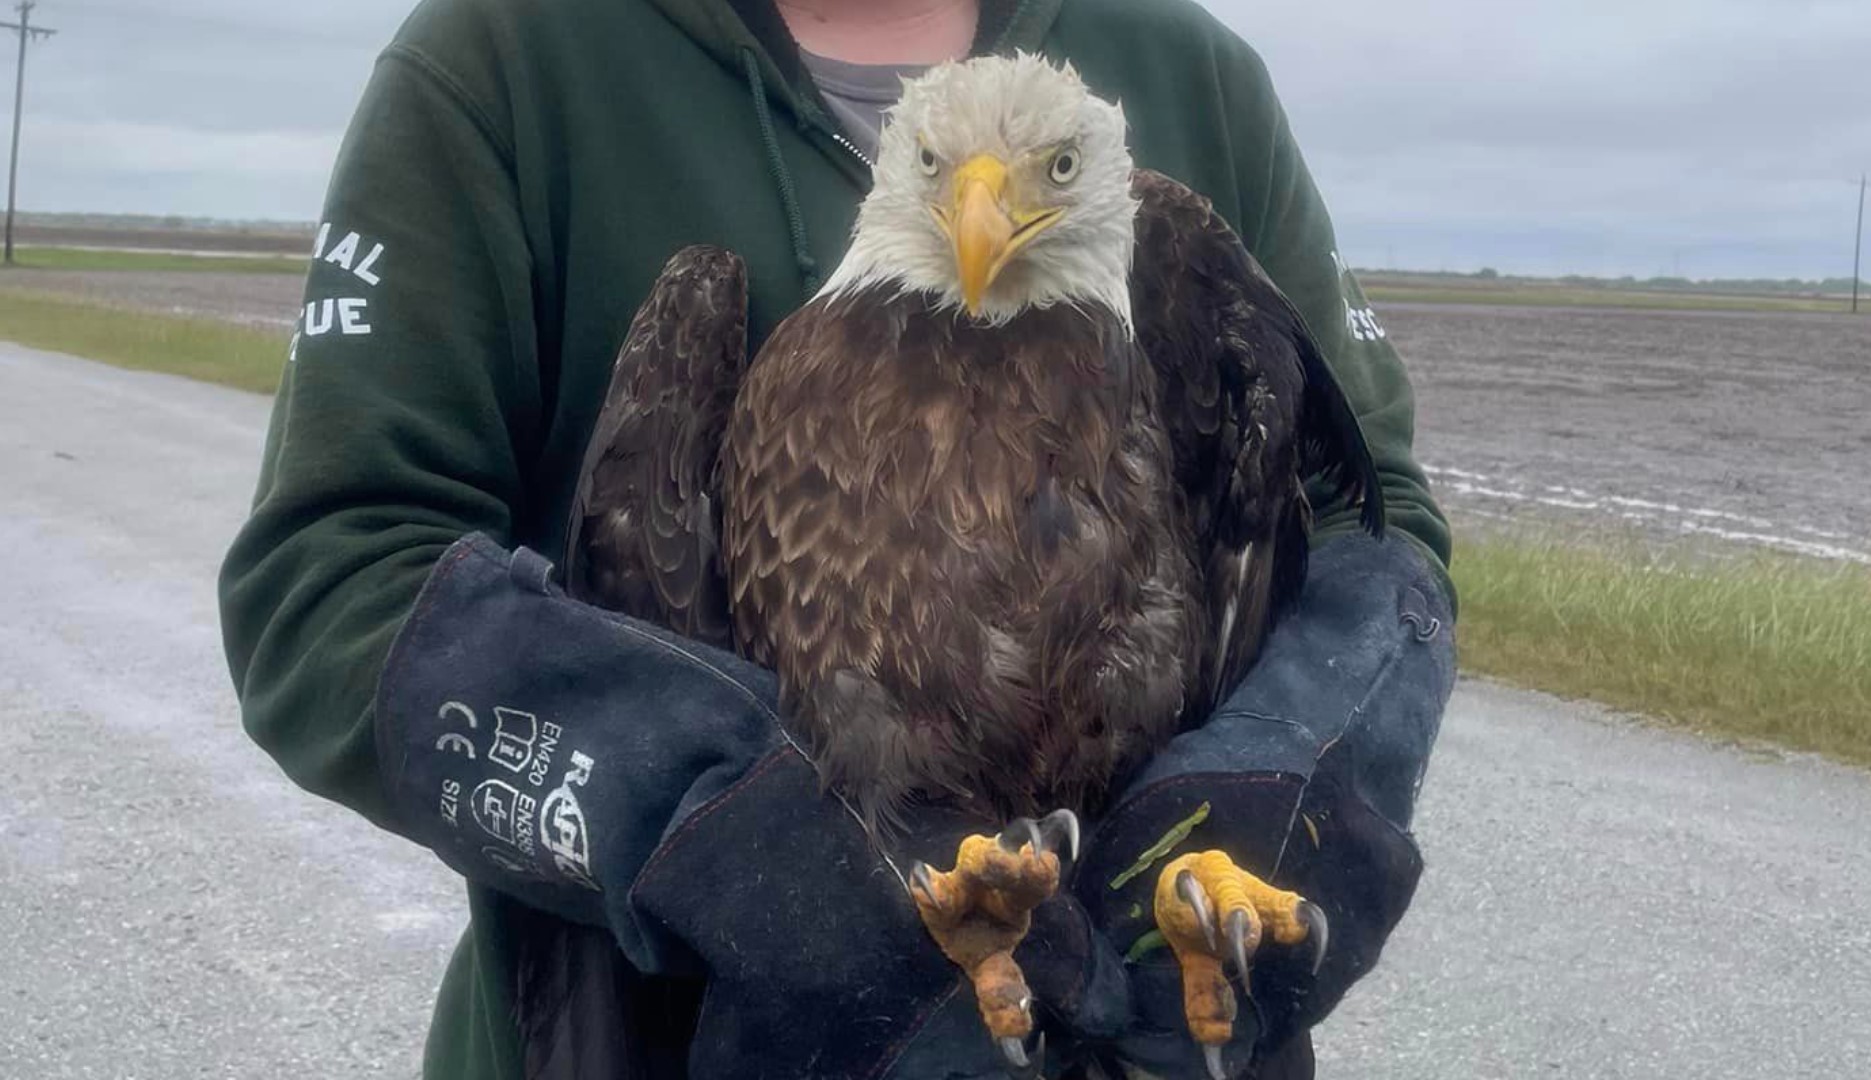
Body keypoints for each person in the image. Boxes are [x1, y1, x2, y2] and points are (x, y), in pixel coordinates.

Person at [217, 0, 1456, 1077]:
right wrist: (700, 823)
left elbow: (1363, 521)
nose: (986, 213)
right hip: (673, 1038)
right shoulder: (508, 58)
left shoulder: (1192, 73)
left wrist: (1274, 787)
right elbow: (332, 581)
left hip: (1137, 1027)